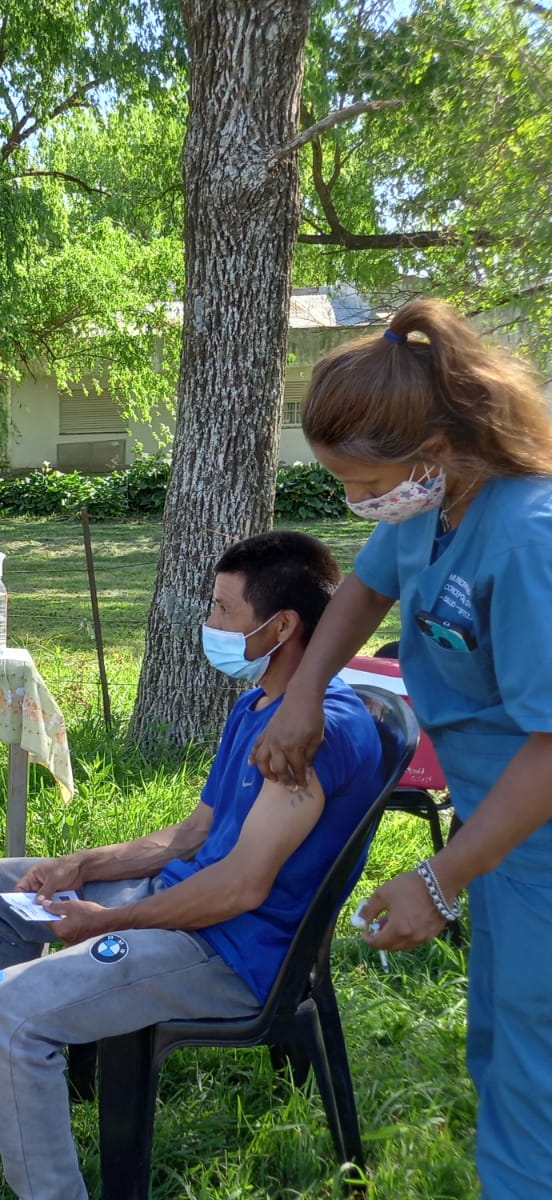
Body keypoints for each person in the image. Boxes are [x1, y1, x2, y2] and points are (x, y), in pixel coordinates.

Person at [0, 531, 384, 1200]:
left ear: (281, 626)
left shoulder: (315, 734)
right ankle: (44, 1077)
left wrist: (111, 919)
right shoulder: (259, 705)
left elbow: (243, 886)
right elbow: (195, 830)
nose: (208, 624)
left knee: (5, 1012)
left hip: (228, 955)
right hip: (188, 909)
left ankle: (35, 1100)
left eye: (222, 610)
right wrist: (81, 864)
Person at [250, 299, 552, 1198]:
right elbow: (363, 592)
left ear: (435, 448)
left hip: (530, 829)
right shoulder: (433, 506)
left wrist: (437, 878)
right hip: (500, 834)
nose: (355, 501)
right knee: (503, 1036)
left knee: (535, 1060)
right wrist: (303, 693)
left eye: (359, 479)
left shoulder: (527, 539)